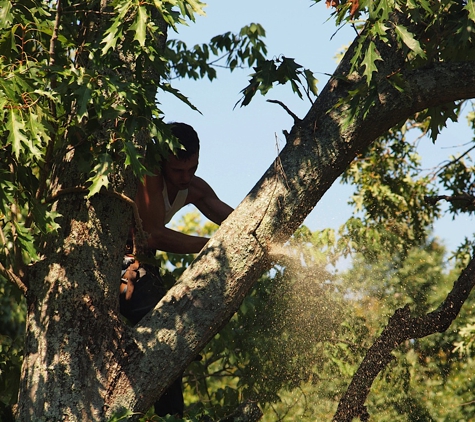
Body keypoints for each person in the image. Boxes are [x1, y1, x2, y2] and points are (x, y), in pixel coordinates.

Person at [119, 122, 233, 417]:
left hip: (146, 270)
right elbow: (154, 234)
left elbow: (237, 222)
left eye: (191, 169)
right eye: (177, 171)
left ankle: (169, 417)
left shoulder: (193, 187)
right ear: (162, 162)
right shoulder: (148, 177)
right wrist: (213, 246)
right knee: (161, 327)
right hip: (122, 267)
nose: (185, 177)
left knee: (173, 345)